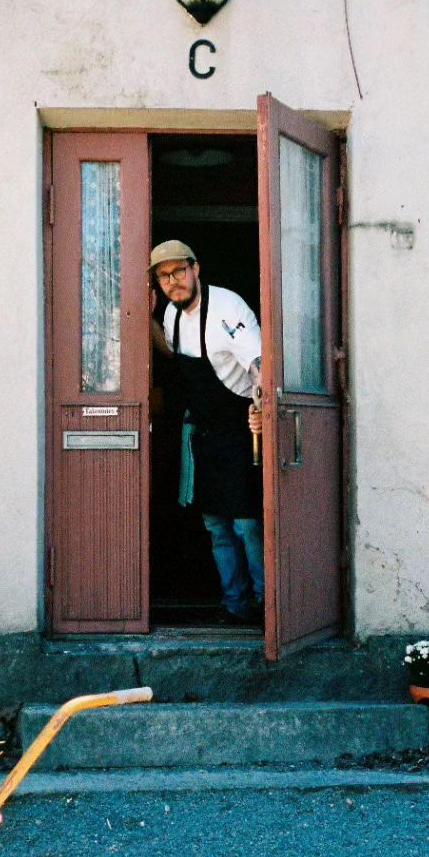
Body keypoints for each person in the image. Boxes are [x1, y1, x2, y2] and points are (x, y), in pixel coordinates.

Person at [150, 239, 264, 626]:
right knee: (216, 524)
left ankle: (268, 603)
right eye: (164, 276)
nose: (173, 282)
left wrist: (264, 401)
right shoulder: (170, 315)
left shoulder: (228, 307)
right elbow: (170, 351)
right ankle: (236, 603)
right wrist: (147, 320)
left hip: (240, 427)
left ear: (195, 269)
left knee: (247, 523)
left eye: (179, 272)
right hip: (204, 434)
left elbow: (257, 361)